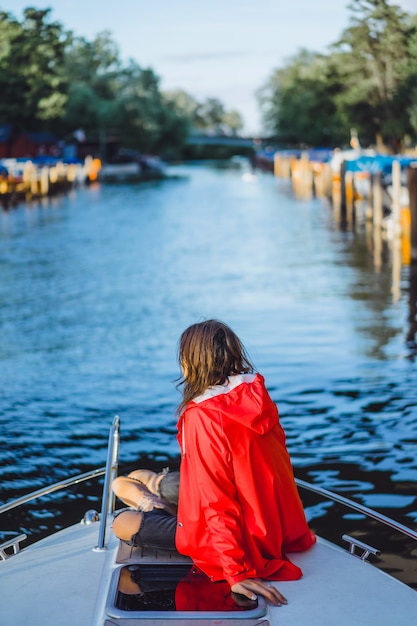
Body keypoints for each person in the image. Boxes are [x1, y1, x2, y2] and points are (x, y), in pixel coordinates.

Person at [112, 319, 316, 606]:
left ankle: (154, 505)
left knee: (121, 523)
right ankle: (156, 497)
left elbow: (217, 500)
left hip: (237, 535)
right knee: (134, 478)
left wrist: (236, 571)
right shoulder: (256, 394)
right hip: (264, 517)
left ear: (191, 362)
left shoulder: (204, 416)